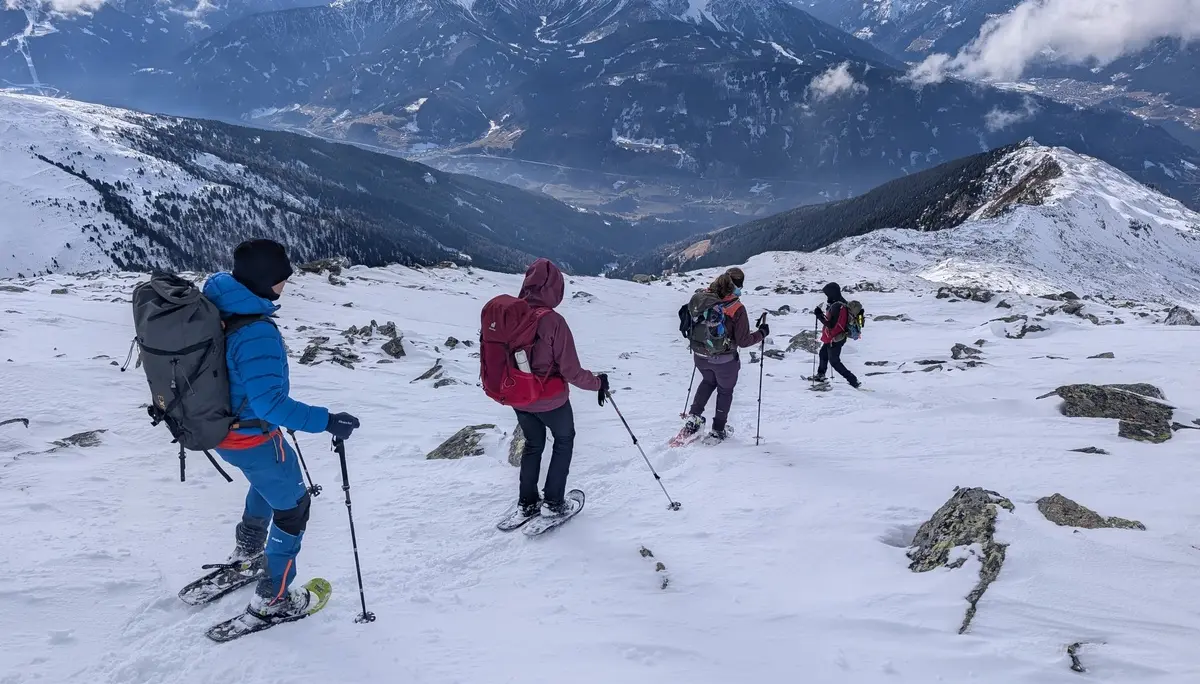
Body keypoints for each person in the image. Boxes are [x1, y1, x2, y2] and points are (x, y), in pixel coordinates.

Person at [202, 239, 361, 621]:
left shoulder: (219, 305)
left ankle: (248, 551)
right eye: (280, 278)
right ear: (262, 280)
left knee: (265, 484)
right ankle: (273, 599)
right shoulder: (255, 332)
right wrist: (326, 421)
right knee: (293, 510)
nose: (284, 285)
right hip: (252, 437)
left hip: (221, 432)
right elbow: (269, 404)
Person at [511, 258, 607, 518]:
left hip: (518, 396)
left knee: (533, 443)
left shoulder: (511, 313)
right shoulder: (553, 321)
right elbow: (571, 372)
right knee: (563, 441)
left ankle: (527, 502)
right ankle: (554, 503)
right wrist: (598, 383)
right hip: (550, 399)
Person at [680, 270, 768, 442]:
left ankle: (694, 418)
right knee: (725, 391)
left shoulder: (703, 297)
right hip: (725, 360)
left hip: (700, 355)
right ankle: (718, 430)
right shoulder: (736, 307)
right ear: (737, 285)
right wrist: (762, 333)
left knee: (707, 381)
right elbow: (743, 341)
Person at [813, 281, 860, 388]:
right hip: (837, 336)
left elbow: (830, 324)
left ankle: (852, 379)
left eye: (827, 293)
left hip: (836, 338)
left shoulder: (837, 306)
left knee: (834, 361)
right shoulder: (840, 303)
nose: (826, 296)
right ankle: (820, 374)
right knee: (823, 354)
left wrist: (819, 315)